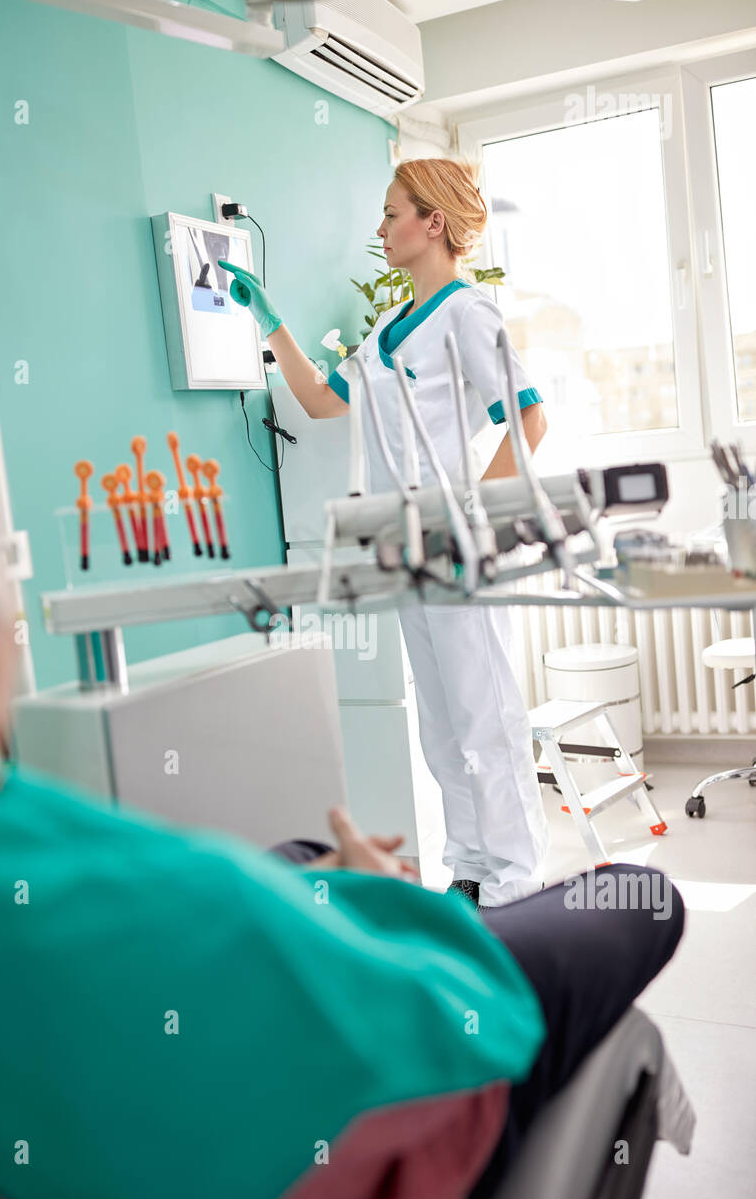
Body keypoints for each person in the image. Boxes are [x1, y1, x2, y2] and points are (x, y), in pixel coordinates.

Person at [0, 377, 683, 1199]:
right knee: (638, 894)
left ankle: (360, 888)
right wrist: (394, 918)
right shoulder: (165, 906)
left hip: (230, 962)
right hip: (396, 1041)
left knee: (304, 859)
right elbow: (445, 1022)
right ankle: (409, 902)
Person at [220, 158, 549, 911]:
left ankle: (517, 882)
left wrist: (474, 523)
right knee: (441, 721)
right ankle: (468, 868)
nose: (380, 228)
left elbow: (527, 417)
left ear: (433, 222)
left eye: (392, 212)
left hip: (457, 549)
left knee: (486, 715)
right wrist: (269, 322)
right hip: (405, 550)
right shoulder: (387, 331)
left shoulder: (469, 314)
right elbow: (318, 401)